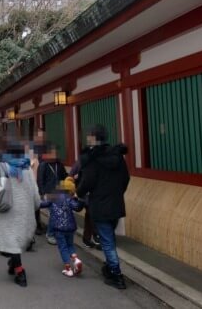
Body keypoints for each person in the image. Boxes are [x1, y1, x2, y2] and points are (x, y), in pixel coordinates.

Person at [77, 124, 130, 290]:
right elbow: (125, 178)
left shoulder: (93, 159)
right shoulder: (117, 156)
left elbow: (87, 182)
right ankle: (109, 267)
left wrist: (79, 192)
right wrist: (117, 193)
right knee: (110, 238)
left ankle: (116, 274)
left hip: (99, 205)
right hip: (116, 203)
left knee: (106, 241)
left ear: (94, 138)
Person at [0, 141, 40, 287]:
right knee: (14, 241)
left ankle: (20, 272)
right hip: (22, 212)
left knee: (12, 241)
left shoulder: (3, 166)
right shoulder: (27, 168)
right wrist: (35, 205)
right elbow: (34, 191)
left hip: (7, 211)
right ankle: (13, 264)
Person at [40, 177, 84, 277]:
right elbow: (77, 207)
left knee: (63, 248)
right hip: (70, 227)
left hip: (58, 228)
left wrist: (33, 203)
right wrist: (80, 200)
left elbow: (43, 204)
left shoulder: (53, 197)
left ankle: (68, 269)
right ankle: (76, 260)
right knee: (70, 245)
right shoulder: (70, 199)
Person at [37, 146, 67, 245]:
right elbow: (40, 180)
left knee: (57, 213)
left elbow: (64, 176)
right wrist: (41, 193)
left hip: (59, 193)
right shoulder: (43, 165)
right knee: (54, 213)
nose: (55, 155)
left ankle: (55, 233)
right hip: (48, 193)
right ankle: (50, 234)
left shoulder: (59, 165)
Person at [70, 159, 100, 249]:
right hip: (84, 195)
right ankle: (92, 238)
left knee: (90, 217)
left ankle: (90, 238)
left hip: (93, 195)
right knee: (91, 216)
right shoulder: (80, 162)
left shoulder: (99, 162)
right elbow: (70, 176)